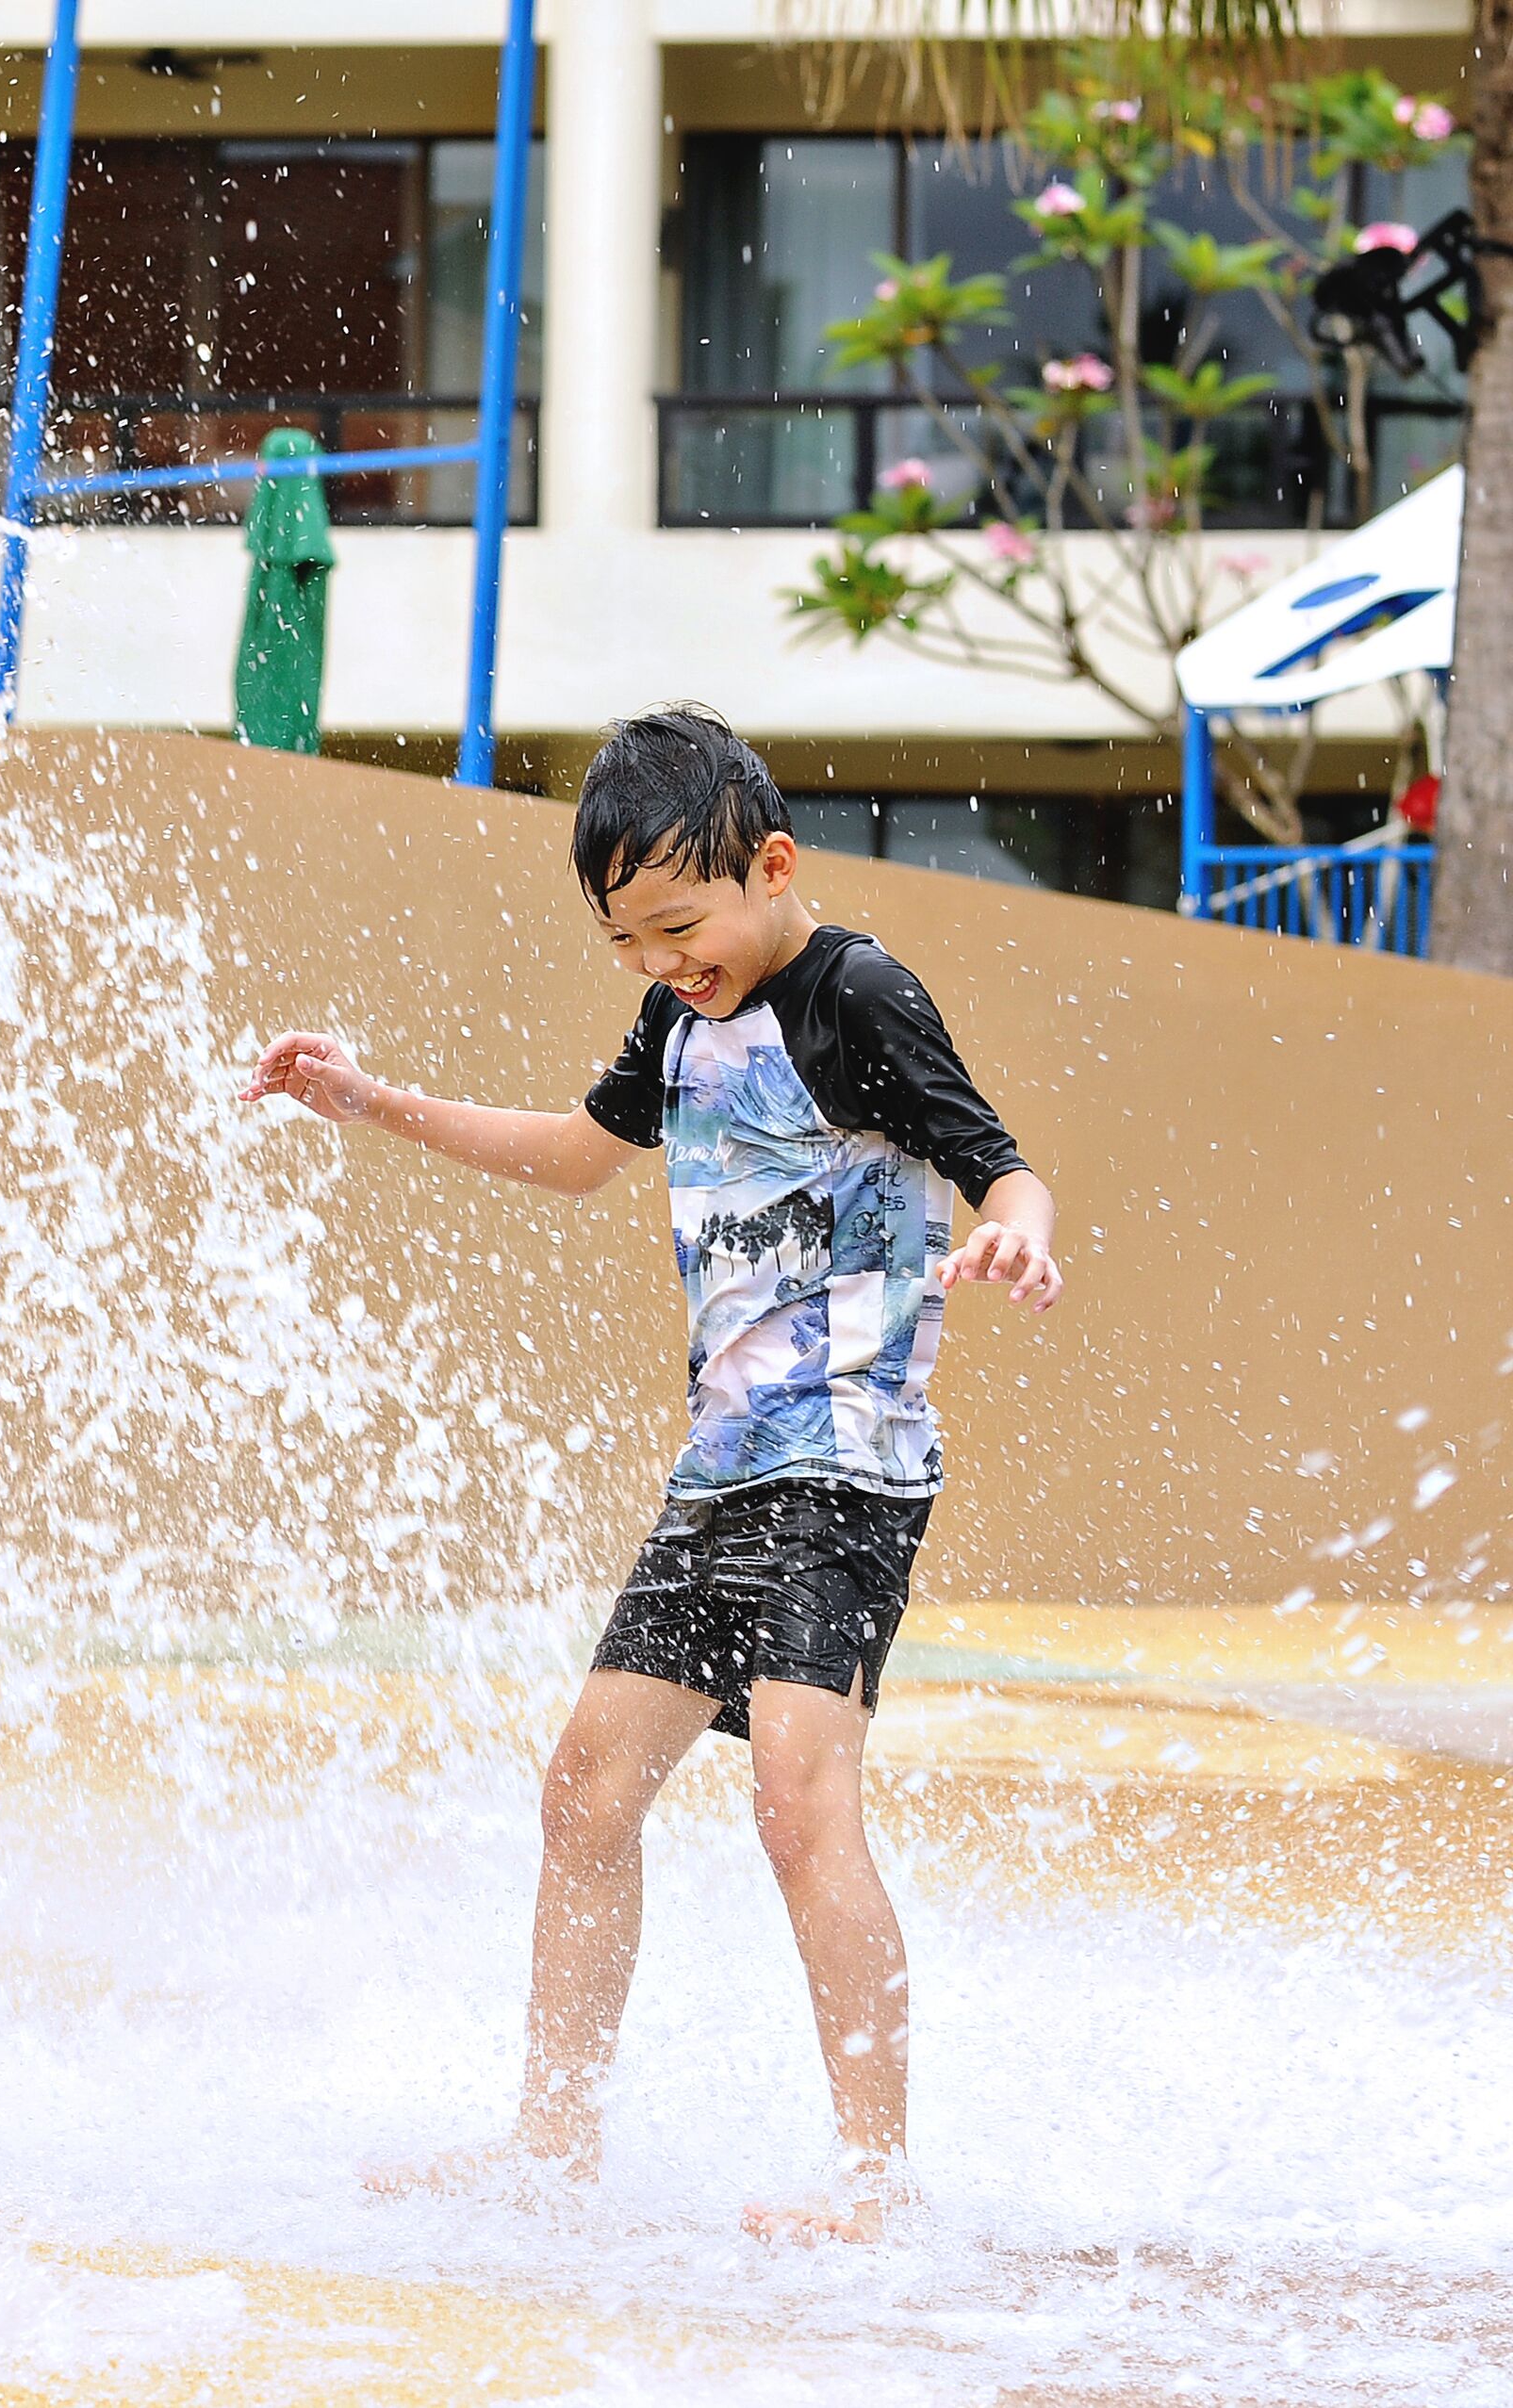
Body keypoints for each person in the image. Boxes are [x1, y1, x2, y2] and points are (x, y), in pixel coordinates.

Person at [242, 706, 1063, 2244]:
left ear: (771, 865)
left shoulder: (854, 994)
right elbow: (572, 1151)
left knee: (797, 1807)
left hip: (847, 1469)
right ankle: (551, 2149)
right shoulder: (685, 1020)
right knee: (585, 1792)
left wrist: (1018, 1224)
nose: (659, 962)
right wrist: (372, 1102)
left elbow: (995, 1157)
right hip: (726, 1471)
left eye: (678, 926)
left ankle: (875, 2184)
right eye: (625, 940)